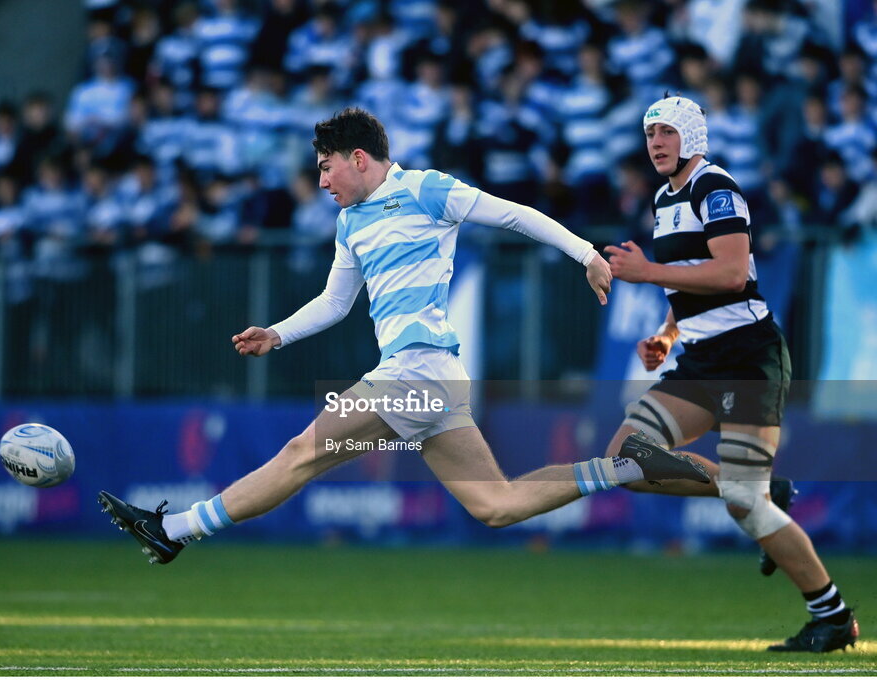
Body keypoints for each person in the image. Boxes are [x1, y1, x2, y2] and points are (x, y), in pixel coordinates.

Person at [98, 106, 711, 570]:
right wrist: (277, 335)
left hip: (417, 370)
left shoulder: (423, 189)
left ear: (358, 158)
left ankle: (174, 529)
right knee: (494, 505)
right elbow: (336, 303)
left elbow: (513, 213)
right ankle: (622, 468)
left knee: (299, 454)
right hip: (429, 376)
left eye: (326, 166)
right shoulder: (350, 221)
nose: (322, 181)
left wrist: (585, 255)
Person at [603, 95, 859, 653]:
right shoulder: (663, 197)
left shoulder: (713, 187)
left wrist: (646, 272)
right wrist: (667, 336)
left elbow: (731, 272)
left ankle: (832, 614)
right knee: (627, 455)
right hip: (700, 359)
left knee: (748, 505)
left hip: (747, 357)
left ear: (692, 135)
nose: (656, 143)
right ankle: (768, 490)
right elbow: (689, 280)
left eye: (667, 132)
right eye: (650, 135)